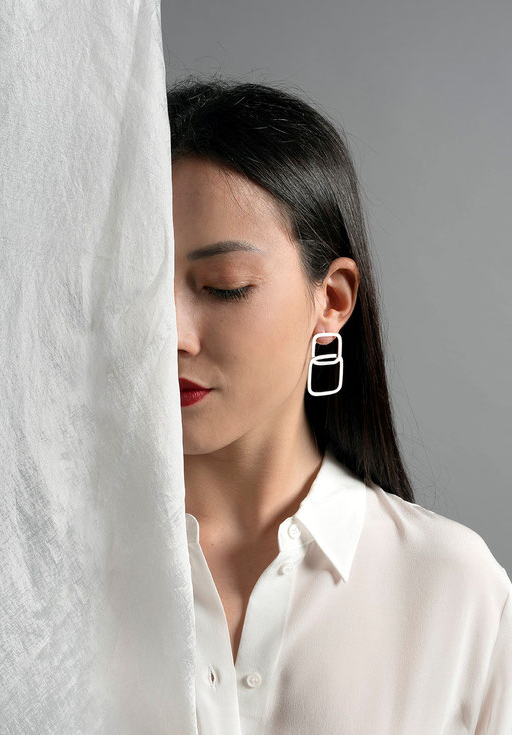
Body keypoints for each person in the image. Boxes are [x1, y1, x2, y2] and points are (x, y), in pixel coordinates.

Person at [168, 76, 512, 734]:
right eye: (142, 284)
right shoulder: (49, 574)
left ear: (332, 300)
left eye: (223, 286)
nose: (171, 334)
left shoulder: (452, 588)